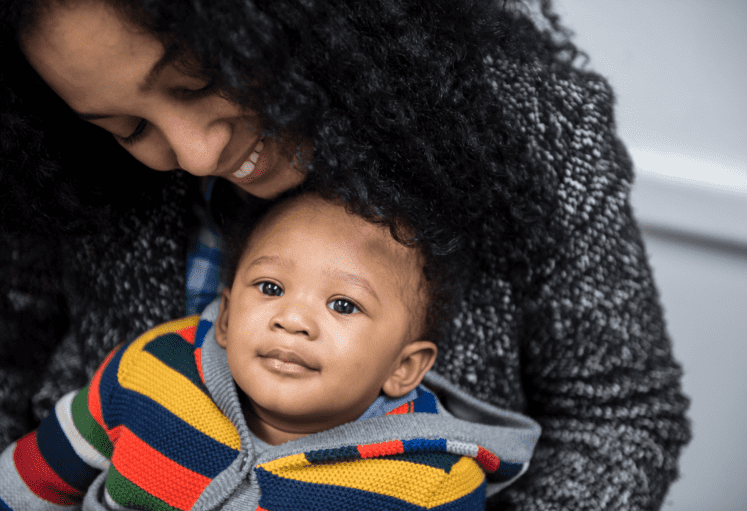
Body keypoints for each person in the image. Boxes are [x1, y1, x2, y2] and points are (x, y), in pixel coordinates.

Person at [0, 0, 691, 509]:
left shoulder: (528, 129)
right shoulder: (66, 165)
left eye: (198, 80)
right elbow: (12, 355)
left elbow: (619, 415)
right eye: (129, 128)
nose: (196, 153)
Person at [0, 191, 541, 510]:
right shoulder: (150, 370)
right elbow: (32, 478)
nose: (292, 319)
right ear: (230, 316)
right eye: (271, 288)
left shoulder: (433, 482)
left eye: (344, 305)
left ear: (404, 368)